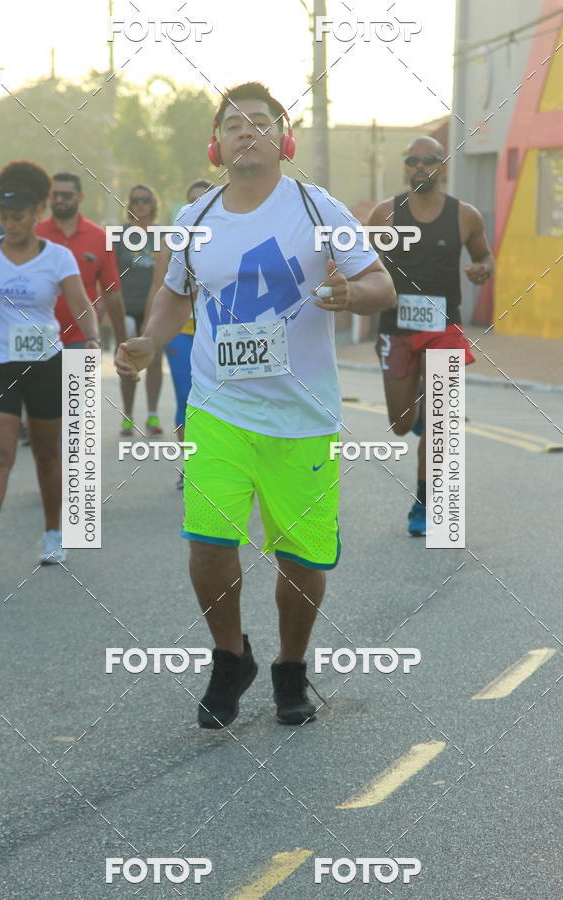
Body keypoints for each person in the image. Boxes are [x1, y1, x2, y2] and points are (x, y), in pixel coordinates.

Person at [115, 82, 396, 729]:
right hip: (218, 411)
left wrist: (350, 296)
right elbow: (173, 296)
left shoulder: (317, 208)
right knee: (208, 545)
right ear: (218, 142)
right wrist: (149, 340)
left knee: (300, 559)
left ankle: (291, 668)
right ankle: (229, 655)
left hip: (302, 417)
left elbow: (379, 281)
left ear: (283, 138)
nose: (248, 131)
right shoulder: (194, 219)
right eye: (234, 124)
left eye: (260, 122)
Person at [0, 160, 100, 577]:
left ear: (37, 213)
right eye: (3, 217)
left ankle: (54, 533)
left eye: (18, 217)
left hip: (45, 363)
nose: (9, 225)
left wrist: (92, 341)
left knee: (45, 454)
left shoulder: (58, 257)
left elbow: (80, 306)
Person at [368, 136, 493, 536]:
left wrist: (483, 269)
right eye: (412, 160)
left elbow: (483, 256)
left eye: (429, 160)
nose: (420, 166)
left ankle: (426, 504)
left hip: (444, 328)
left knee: (442, 424)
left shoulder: (465, 216)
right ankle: (418, 415)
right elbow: (361, 263)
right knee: (402, 424)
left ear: (443, 167)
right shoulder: (385, 214)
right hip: (397, 326)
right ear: (404, 167)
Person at [144, 179, 213, 487]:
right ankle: (191, 464)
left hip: (217, 332)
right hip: (181, 330)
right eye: (192, 201)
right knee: (186, 395)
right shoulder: (173, 241)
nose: (199, 206)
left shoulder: (233, 237)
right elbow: (159, 289)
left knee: (216, 399)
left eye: (205, 200)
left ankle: (217, 460)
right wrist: (150, 336)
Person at [35, 172, 126, 352]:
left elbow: (112, 292)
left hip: (83, 337)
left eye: (67, 195)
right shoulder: (34, 234)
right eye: (54, 195)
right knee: (41, 381)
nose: (59, 200)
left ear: (81, 197)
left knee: (80, 381)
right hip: (37, 336)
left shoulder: (100, 238)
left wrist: (121, 338)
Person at [114, 184, 165, 437]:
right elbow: (109, 274)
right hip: (126, 306)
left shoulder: (162, 235)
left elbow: (169, 275)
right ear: (130, 205)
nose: (141, 204)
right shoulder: (120, 234)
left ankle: (152, 415)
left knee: (154, 360)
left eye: (145, 200)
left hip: (155, 308)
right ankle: (127, 416)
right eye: (136, 200)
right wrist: (106, 306)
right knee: (127, 360)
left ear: (152, 204)